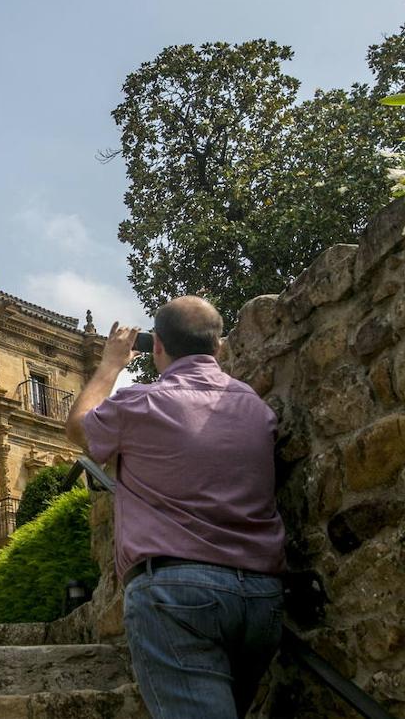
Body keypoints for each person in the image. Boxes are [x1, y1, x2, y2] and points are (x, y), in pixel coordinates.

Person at [65, 296, 285, 719]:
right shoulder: (258, 410)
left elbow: (79, 427)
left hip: (177, 592)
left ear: (157, 346)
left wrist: (112, 363)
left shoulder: (140, 405)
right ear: (217, 348)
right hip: (261, 596)